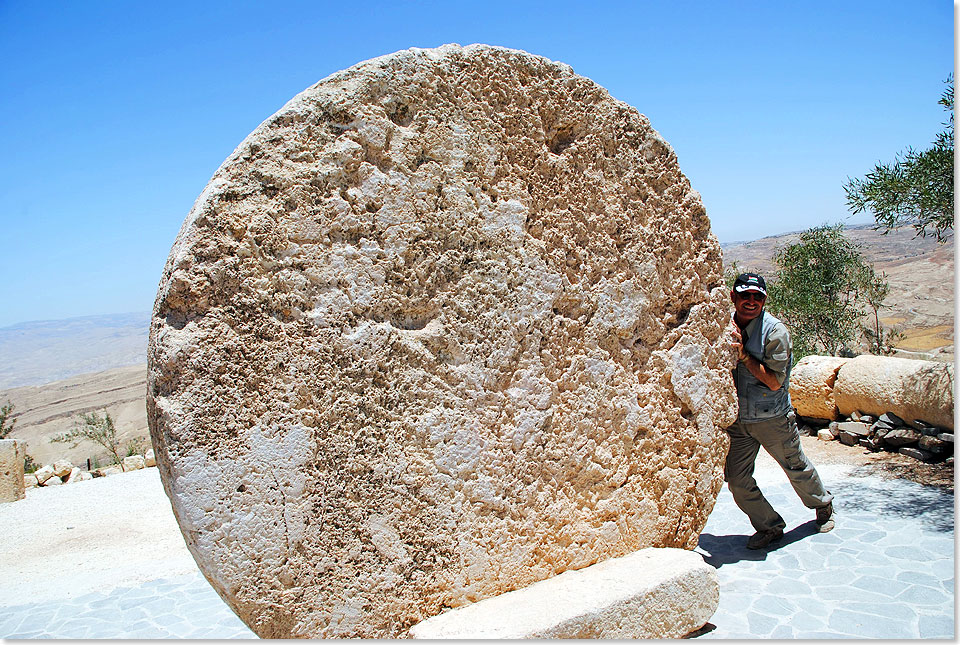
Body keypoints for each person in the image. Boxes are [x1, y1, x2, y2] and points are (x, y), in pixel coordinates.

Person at [726, 272, 835, 550]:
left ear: (764, 300)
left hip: (771, 417)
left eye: (757, 297)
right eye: (745, 295)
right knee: (737, 480)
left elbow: (775, 382)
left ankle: (822, 505)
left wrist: (744, 357)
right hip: (738, 420)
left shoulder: (775, 332)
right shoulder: (723, 326)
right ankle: (770, 526)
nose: (751, 301)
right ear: (733, 296)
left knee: (795, 466)